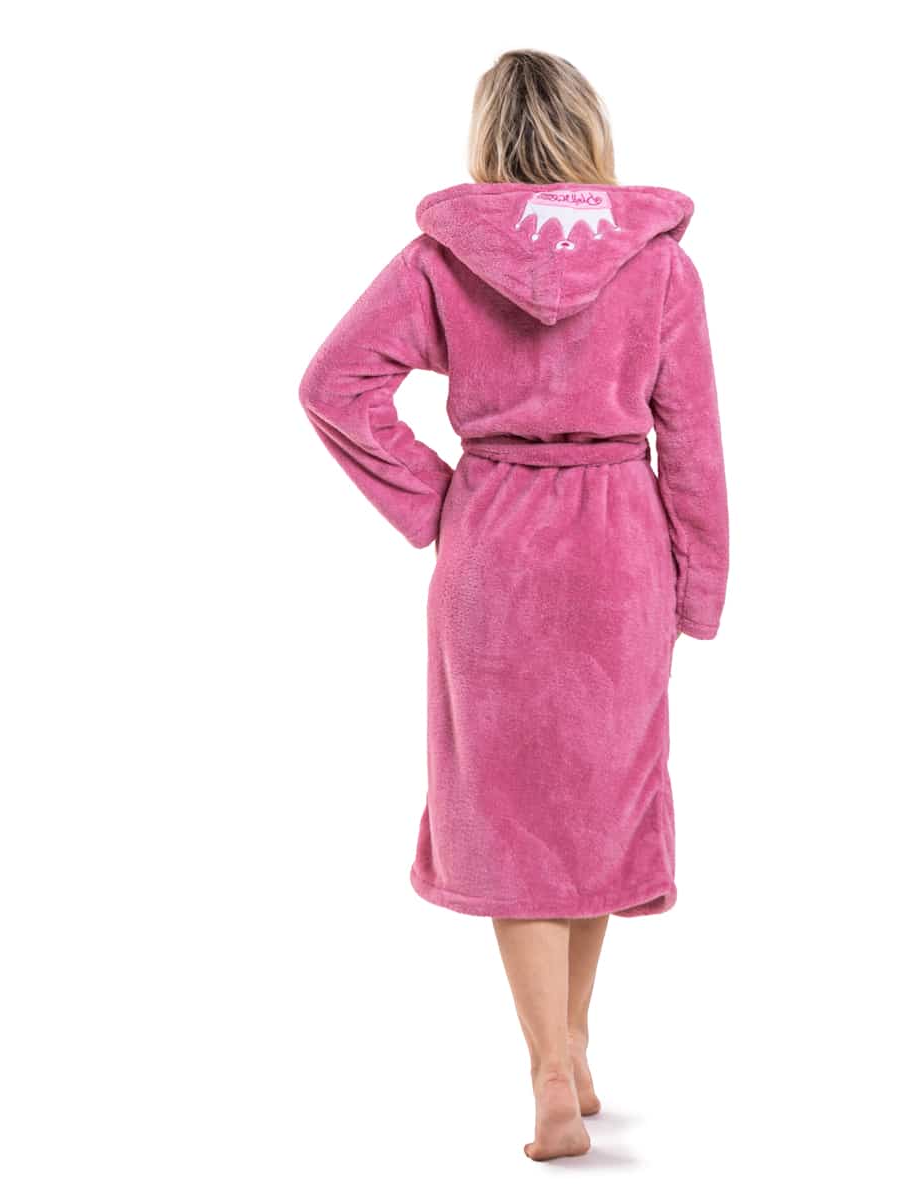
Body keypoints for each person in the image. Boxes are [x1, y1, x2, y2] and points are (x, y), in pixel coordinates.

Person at [297, 48, 729, 1160]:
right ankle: (571, 1048)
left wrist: (436, 498)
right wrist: (701, 582)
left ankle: (550, 1062)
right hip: (620, 548)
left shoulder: (443, 261)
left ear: (491, 136)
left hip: (496, 547)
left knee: (511, 807)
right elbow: (692, 441)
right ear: (588, 130)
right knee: (597, 799)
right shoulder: (659, 266)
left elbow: (335, 384)